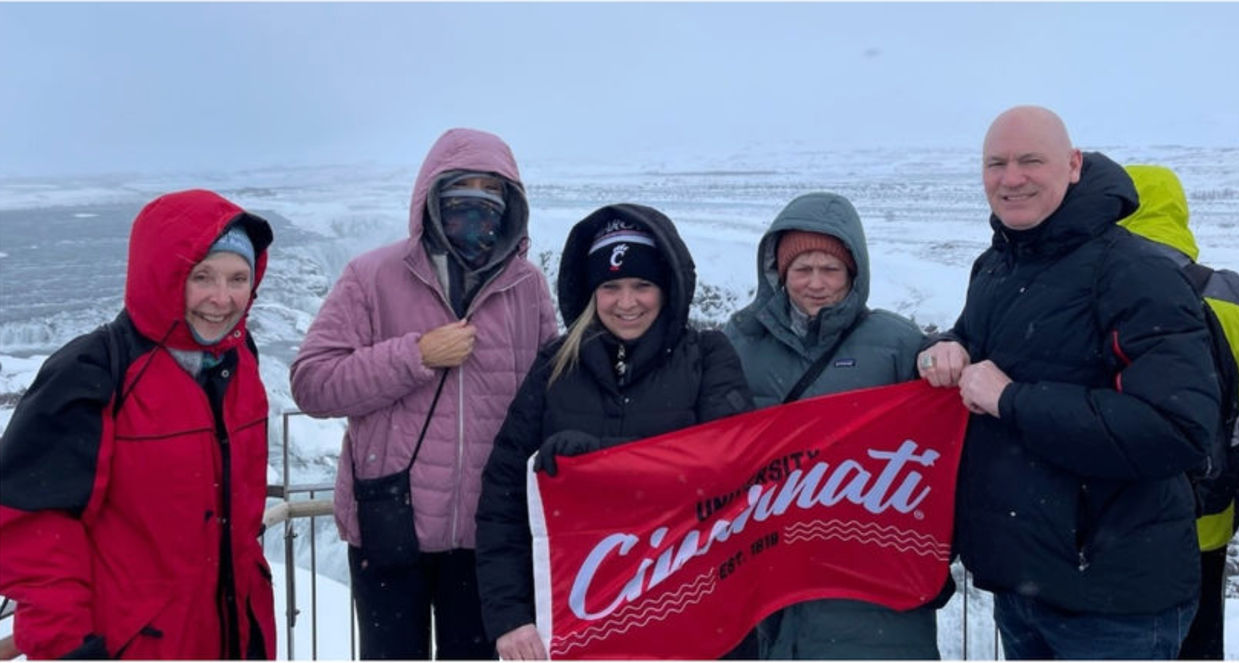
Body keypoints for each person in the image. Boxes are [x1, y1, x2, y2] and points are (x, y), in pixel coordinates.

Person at [917, 106, 1220, 659]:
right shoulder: (995, 269)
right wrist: (946, 346)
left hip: (1114, 603)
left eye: (1031, 161)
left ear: (1074, 165)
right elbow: (978, 348)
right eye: (996, 164)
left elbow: (1175, 429)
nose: (1011, 179)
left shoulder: (1136, 273)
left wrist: (1012, 401)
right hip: (1022, 582)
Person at [290, 128, 557, 660]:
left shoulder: (526, 286)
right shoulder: (373, 276)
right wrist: (414, 357)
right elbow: (313, 383)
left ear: (512, 205)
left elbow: (550, 393)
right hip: (390, 531)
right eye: (462, 189)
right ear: (433, 197)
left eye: (492, 190)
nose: (477, 205)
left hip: (487, 537)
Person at [0, 189, 276, 659]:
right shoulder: (94, 370)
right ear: (163, 274)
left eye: (238, 278)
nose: (222, 299)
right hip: (136, 643)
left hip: (234, 634)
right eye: (202, 276)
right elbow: (34, 526)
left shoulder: (238, 360)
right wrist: (70, 649)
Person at [475, 203, 755, 660]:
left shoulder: (707, 358)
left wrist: (599, 462)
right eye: (611, 287)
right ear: (591, 293)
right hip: (579, 620)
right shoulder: (554, 366)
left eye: (642, 285)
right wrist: (510, 618)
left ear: (667, 288)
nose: (627, 303)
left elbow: (729, 470)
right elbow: (502, 497)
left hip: (691, 614)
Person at [723, 192, 950, 659]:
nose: (816, 284)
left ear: (854, 273)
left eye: (831, 269)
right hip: (770, 562)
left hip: (870, 566)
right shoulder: (741, 342)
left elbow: (946, 442)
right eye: (802, 269)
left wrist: (938, 549)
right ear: (780, 272)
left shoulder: (895, 343)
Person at [1118, 164, 1239, 659]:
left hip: (1115, 516)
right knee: (1198, 637)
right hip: (1205, 511)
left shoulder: (1099, 290)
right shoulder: (1232, 294)